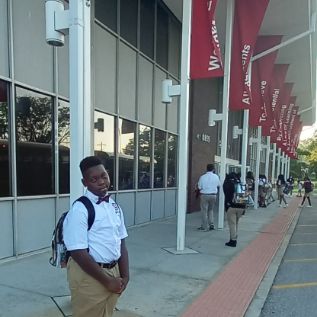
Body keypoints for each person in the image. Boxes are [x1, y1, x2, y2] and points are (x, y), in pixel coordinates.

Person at [63, 156, 129, 317]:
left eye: (104, 176)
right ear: (84, 183)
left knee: (107, 313)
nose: (101, 182)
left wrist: (125, 276)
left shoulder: (114, 206)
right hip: (89, 275)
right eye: (94, 179)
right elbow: (78, 253)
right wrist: (107, 281)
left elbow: (121, 242)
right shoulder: (80, 209)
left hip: (114, 271)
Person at [223, 173, 246, 247]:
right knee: (236, 223)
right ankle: (233, 237)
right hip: (241, 206)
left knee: (232, 224)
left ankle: (233, 241)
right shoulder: (240, 183)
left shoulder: (227, 183)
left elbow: (226, 194)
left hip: (232, 207)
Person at [197, 163, 221, 231]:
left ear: (206, 169)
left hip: (204, 195)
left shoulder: (202, 177)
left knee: (204, 211)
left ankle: (204, 226)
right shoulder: (216, 176)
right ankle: (211, 224)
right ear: (213, 169)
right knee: (210, 210)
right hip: (213, 195)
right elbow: (219, 185)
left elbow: (199, 187)